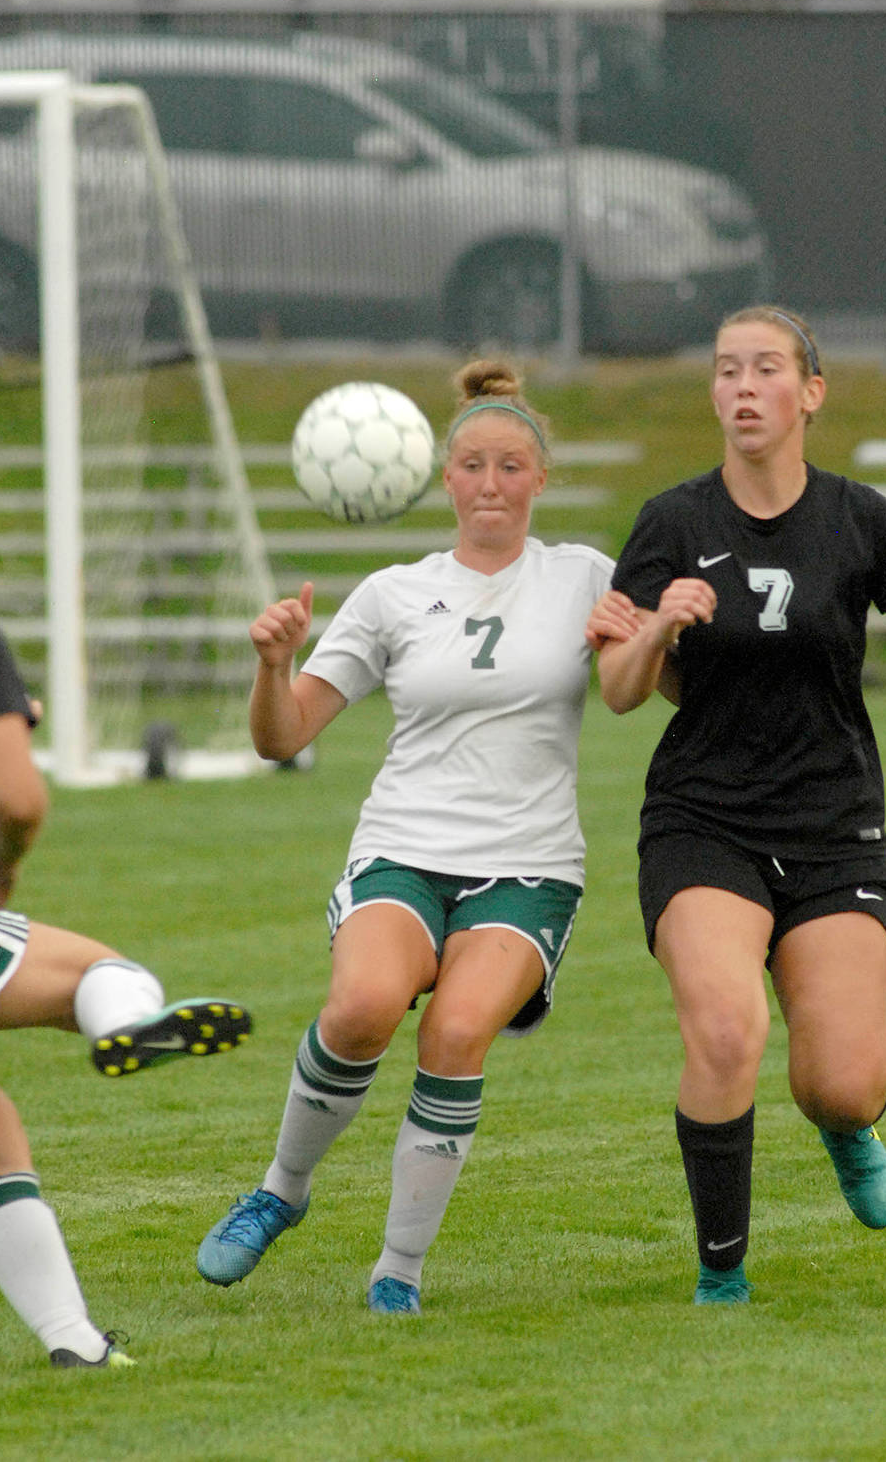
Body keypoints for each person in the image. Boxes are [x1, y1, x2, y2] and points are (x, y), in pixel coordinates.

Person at [589, 305, 886, 1304]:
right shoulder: (671, 523)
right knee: (728, 1031)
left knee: (841, 1079)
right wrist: (657, 629)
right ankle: (719, 1272)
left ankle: (844, 1126)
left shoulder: (857, 519)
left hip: (831, 827)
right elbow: (615, 688)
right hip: (703, 819)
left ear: (808, 393)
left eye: (764, 368)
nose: (741, 386)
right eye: (725, 369)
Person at [196, 359, 616, 1317]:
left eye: (511, 466)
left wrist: (652, 634)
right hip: (403, 849)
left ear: (538, 479)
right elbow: (283, 735)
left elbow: (647, 685)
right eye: (472, 465)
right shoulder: (392, 592)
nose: (491, 485)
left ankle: (399, 1271)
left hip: (530, 862)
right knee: (360, 1010)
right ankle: (280, 1191)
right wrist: (274, 663)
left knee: (459, 1030)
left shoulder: (585, 575)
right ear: (444, 477)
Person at [0, 586, 253, 1368]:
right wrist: (2, 805)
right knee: (101, 968)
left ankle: (77, 1344)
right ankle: (119, 1021)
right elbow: (17, 799)